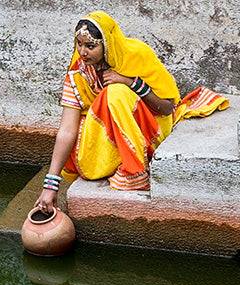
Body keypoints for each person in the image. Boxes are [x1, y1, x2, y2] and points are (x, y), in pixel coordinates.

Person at [35, 11, 218, 213]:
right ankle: (119, 160)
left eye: (90, 46)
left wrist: (130, 82)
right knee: (82, 124)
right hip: (104, 144)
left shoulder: (136, 55)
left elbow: (166, 108)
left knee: (115, 93)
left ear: (108, 45)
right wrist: (50, 185)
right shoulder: (77, 74)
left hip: (147, 130)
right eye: (79, 44)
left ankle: (135, 171)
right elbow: (66, 130)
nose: (82, 52)